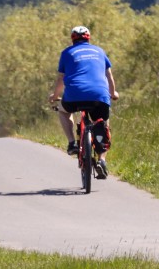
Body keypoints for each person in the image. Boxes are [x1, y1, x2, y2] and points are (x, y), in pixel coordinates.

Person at [48, 25, 118, 179]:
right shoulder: (99, 51)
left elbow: (61, 78)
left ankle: (72, 142)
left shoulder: (67, 52)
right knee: (103, 122)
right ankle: (102, 160)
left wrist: (55, 96)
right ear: (89, 38)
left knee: (63, 110)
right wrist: (113, 93)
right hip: (99, 95)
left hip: (74, 95)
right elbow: (109, 76)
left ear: (73, 39)